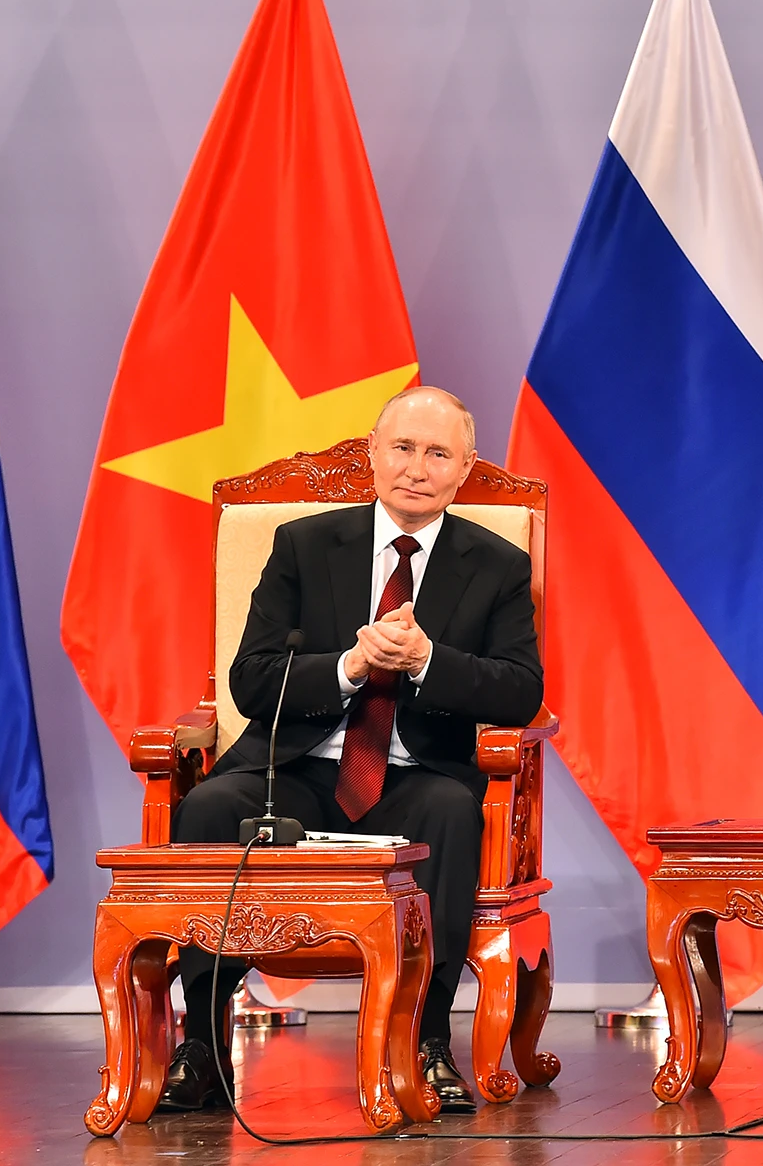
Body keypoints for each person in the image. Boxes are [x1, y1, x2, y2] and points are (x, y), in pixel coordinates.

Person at [157, 386, 545, 1115]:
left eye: (438, 454)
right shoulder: (304, 546)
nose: (417, 468)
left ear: (463, 471)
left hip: (415, 774)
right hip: (298, 770)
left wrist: (429, 661)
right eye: (402, 448)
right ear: (372, 453)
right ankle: (204, 1050)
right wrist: (350, 667)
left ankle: (428, 1045)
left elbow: (521, 690)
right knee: (210, 805)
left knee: (453, 815)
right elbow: (251, 679)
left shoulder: (495, 564)